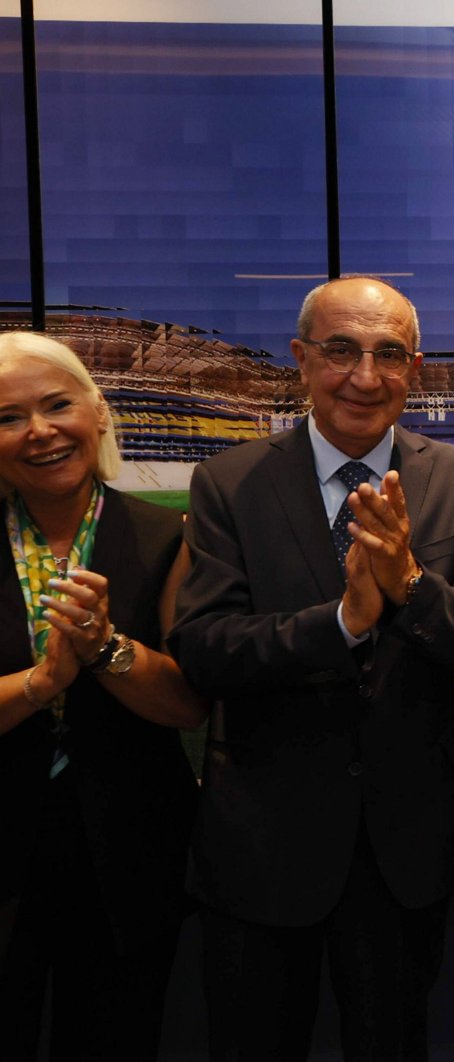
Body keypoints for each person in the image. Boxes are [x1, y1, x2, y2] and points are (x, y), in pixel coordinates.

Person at [169, 277, 454, 1060]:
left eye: (389, 354)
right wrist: (345, 623)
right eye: (341, 351)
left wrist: (411, 587)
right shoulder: (229, 483)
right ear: (301, 360)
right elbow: (205, 649)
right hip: (263, 842)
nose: (365, 376)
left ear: (414, 368)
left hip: (406, 845)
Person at [0, 332, 207, 1060]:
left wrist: (107, 652)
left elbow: (192, 705)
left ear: (98, 413)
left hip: (131, 854)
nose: (41, 432)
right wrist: (42, 683)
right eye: (9, 417)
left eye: (58, 406)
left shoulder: (166, 537)